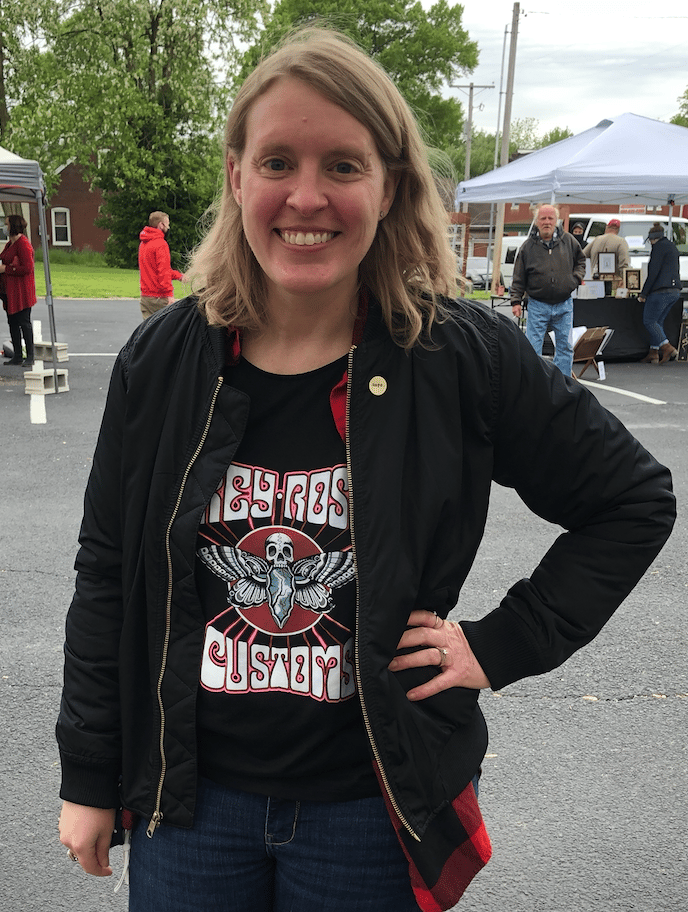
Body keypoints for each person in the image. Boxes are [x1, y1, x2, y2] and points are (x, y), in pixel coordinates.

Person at [57, 28, 676, 912]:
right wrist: (88, 775)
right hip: (190, 808)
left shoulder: (457, 357)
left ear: (389, 187)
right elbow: (109, 571)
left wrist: (499, 645)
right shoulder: (163, 361)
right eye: (277, 161)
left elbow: (631, 500)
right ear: (236, 176)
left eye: (343, 166)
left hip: (370, 812)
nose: (306, 196)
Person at [510, 204, 586, 376]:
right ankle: (534, 384)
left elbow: (581, 261)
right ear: (536, 221)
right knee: (532, 348)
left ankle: (563, 384)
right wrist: (516, 301)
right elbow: (519, 275)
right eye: (543, 218)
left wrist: (573, 280)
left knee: (565, 347)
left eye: (550, 218)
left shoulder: (569, 241)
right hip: (537, 304)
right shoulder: (528, 247)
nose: (547, 222)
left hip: (564, 303)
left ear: (557, 221)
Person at [637, 222, 681, 364]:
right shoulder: (672, 246)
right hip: (675, 290)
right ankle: (653, 352)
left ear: (652, 239)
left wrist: (643, 293)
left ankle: (667, 347)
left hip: (660, 291)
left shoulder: (658, 248)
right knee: (658, 322)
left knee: (649, 321)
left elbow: (653, 273)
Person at [0, 214, 36, 366]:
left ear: (13, 226)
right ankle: (18, 355)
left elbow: (28, 268)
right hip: (9, 292)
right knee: (13, 322)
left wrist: (7, 269)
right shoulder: (10, 244)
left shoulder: (23, 244)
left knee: (24, 323)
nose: (5, 227)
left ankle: (30, 356)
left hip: (21, 292)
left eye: (7, 224)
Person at [138, 210, 185, 320]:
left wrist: (179, 276)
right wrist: (169, 294)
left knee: (148, 327)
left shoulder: (143, 243)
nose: (168, 227)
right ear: (161, 225)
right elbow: (163, 272)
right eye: (167, 223)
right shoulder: (161, 244)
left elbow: (155, 269)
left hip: (145, 296)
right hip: (159, 297)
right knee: (170, 326)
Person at [582, 218, 630, 292]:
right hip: (612, 282)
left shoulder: (597, 239)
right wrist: (624, 279)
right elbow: (624, 264)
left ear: (607, 228)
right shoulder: (621, 242)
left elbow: (582, 255)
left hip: (594, 280)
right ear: (618, 230)